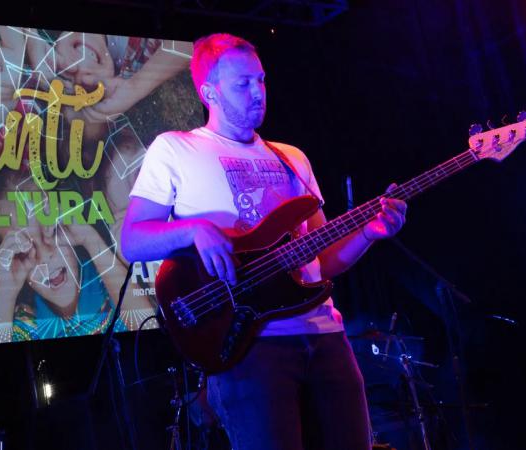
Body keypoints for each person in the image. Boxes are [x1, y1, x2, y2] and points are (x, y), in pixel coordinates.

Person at [121, 33, 407, 449]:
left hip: (326, 334)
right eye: (243, 84)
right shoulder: (175, 150)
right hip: (248, 344)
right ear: (208, 93)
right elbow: (132, 241)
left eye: (262, 80)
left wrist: (367, 234)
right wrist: (194, 230)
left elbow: (321, 262)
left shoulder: (292, 158)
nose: (258, 92)